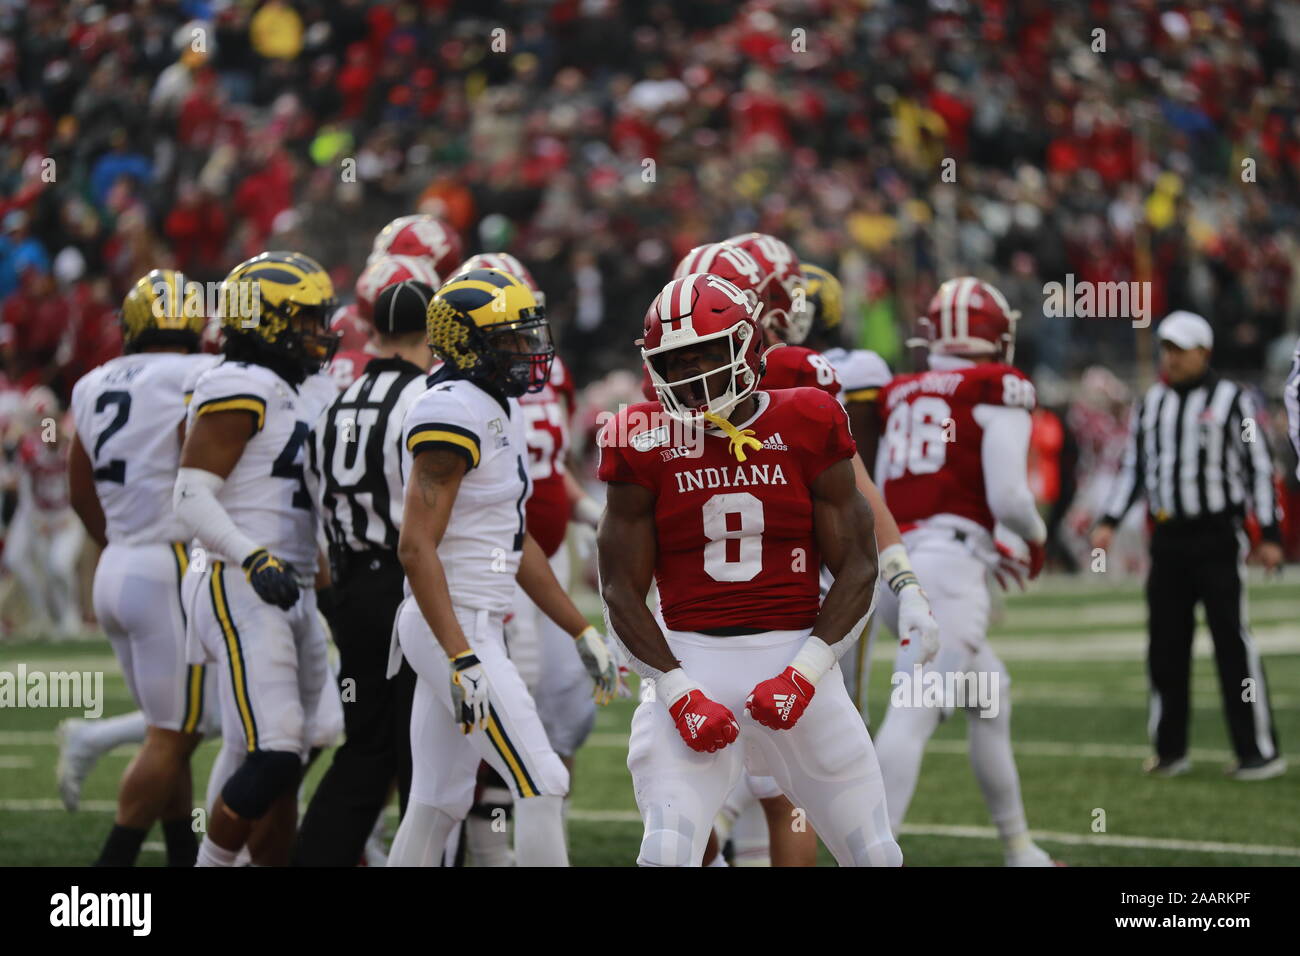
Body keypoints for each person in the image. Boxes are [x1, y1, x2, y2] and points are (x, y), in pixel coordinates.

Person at [597, 271, 902, 868]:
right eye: (677, 361)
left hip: (795, 649)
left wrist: (805, 674)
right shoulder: (639, 437)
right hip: (691, 655)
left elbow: (858, 566)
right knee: (664, 855)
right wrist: (679, 693)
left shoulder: (809, 418)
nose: (694, 375)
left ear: (749, 343)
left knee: (876, 855)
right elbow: (619, 591)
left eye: (708, 354)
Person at [385, 267, 618, 867]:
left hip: (471, 620)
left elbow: (516, 546)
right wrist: (461, 655)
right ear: (467, 342)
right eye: (511, 338)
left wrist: (578, 627)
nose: (527, 350)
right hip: (453, 623)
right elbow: (415, 547)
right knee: (542, 781)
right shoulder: (451, 411)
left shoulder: (493, 405)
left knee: (437, 801)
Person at [870, 276, 1060, 867]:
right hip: (944, 575)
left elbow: (880, 493)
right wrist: (1034, 536)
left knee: (989, 694)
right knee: (912, 711)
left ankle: (1018, 847)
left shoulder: (903, 389)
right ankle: (870, 856)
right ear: (996, 336)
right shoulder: (997, 385)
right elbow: (1008, 496)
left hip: (893, 566)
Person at [173, 250, 341, 866]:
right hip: (237, 577)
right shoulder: (235, 382)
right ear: (266, 322)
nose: (319, 331)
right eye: (304, 319)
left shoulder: (295, 388)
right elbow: (189, 496)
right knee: (275, 747)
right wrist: (251, 557)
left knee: (313, 735)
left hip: (286, 581)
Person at [1091, 311, 1285, 781]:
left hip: (1217, 536)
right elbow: (1134, 468)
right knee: (1165, 645)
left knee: (1232, 644)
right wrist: (1109, 520)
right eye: (1166, 348)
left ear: (1204, 352)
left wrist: (1271, 534)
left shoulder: (1234, 401)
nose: (1170, 358)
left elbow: (1259, 467)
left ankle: (1257, 750)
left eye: (1179, 349)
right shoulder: (1151, 402)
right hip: (1169, 538)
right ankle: (1170, 749)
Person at [66, 269, 217, 866]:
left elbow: (80, 490)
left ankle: (183, 854)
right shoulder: (201, 376)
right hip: (169, 565)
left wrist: (121, 544)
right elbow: (198, 467)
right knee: (175, 734)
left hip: (119, 566)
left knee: (168, 728)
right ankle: (107, 876)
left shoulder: (92, 382)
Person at [292, 280, 434, 866]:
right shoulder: (428, 397)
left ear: (374, 332)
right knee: (423, 757)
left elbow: (315, 502)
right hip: (407, 585)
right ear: (432, 334)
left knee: (366, 750)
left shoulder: (332, 406)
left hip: (351, 586)